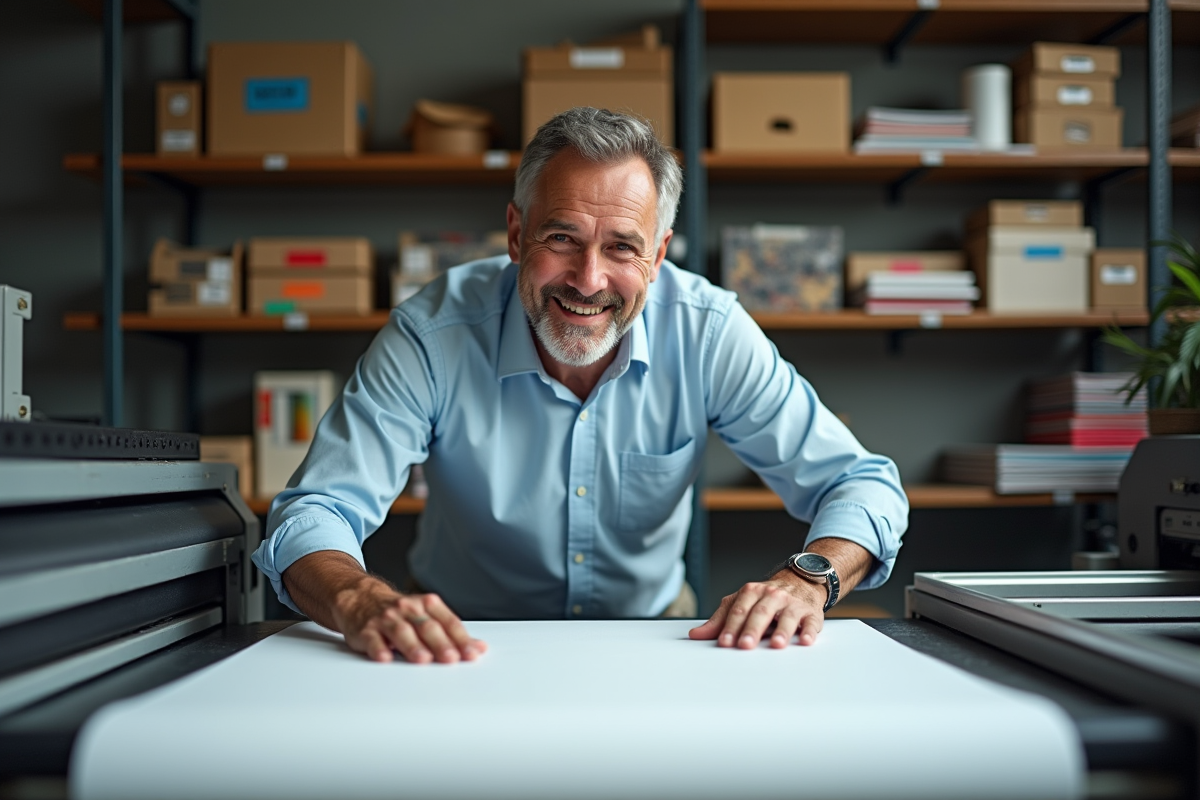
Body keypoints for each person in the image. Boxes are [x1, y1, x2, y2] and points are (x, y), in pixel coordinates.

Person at [252, 107, 908, 665]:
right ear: (515, 233)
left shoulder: (707, 329)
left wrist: (806, 579)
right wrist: (357, 597)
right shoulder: (434, 332)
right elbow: (314, 512)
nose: (588, 279)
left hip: (656, 642)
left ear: (658, 253)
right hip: (461, 643)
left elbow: (862, 485)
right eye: (562, 238)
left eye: (622, 248)